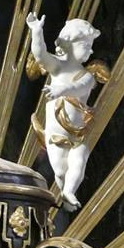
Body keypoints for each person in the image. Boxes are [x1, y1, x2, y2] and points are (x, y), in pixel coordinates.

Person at [25, 12, 107, 210]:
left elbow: (79, 88)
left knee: (80, 158)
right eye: (86, 45)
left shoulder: (87, 76)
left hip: (77, 134)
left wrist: (61, 90)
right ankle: (65, 192)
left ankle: (69, 191)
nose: (91, 50)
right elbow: (40, 55)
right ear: (69, 42)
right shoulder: (57, 66)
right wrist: (36, 32)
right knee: (61, 170)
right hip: (55, 134)